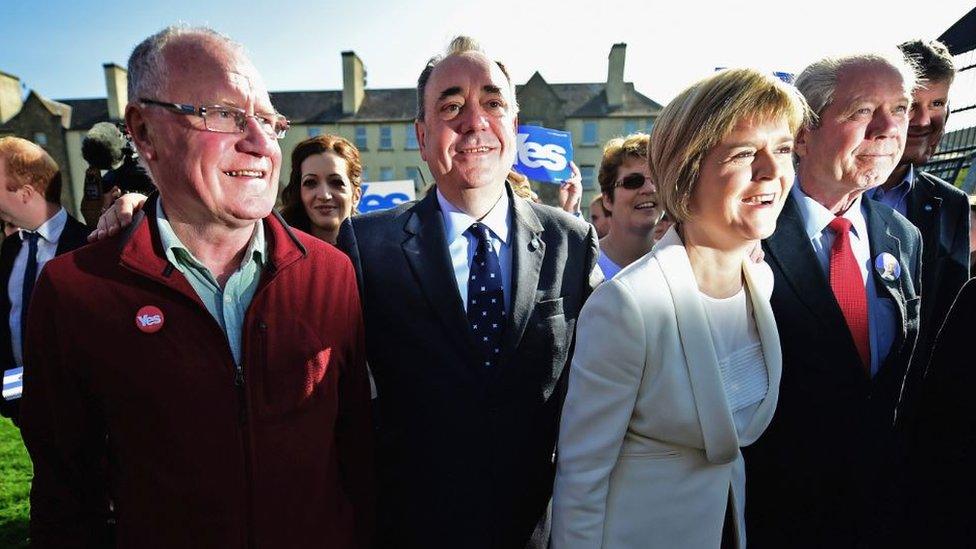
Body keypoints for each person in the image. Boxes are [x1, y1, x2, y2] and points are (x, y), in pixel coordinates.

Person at [19, 26, 374, 548]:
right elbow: (65, 498)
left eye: (270, 121)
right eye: (225, 114)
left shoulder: (330, 271)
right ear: (143, 132)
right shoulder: (76, 291)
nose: (260, 143)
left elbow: (356, 452)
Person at [337, 36, 600, 549]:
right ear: (421, 133)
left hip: (537, 533)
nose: (475, 121)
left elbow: (591, 400)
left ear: (515, 127)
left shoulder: (572, 241)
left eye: (493, 103)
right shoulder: (367, 245)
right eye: (452, 106)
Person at [552, 68, 807, 549]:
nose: (773, 171)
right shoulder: (627, 305)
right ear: (687, 173)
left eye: (783, 148)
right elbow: (581, 479)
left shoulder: (762, 283)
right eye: (745, 152)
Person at [742, 51, 922, 548]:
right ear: (804, 133)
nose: (888, 129)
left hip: (875, 513)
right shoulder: (748, 230)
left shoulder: (902, 237)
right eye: (863, 111)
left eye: (900, 109)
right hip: (769, 514)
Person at [871, 39, 968, 377]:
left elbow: (948, 332)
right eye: (912, 104)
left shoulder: (950, 207)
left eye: (938, 103)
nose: (925, 120)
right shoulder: (815, 193)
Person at [0, 137, 90, 424]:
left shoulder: (88, 247)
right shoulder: (11, 248)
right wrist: (12, 400)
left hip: (80, 415)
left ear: (25, 193)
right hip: (24, 411)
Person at [593, 133, 663, 279]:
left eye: (656, 179)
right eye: (633, 181)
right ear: (607, 199)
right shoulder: (586, 264)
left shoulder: (676, 263)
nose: (650, 189)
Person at [280, 134, 363, 243]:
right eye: (310, 183)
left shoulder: (381, 255)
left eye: (336, 182)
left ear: (356, 196)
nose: (324, 195)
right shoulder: (273, 253)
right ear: (298, 192)